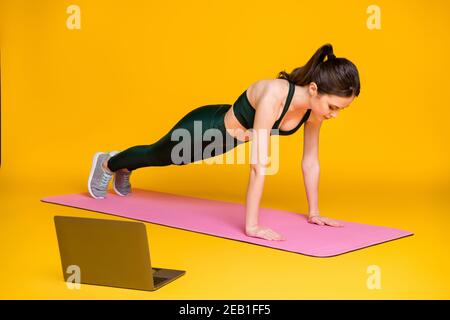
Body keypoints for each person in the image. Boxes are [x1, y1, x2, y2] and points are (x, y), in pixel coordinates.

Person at [87, 43, 361, 241]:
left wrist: (314, 212)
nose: (334, 114)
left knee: (157, 157)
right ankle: (109, 163)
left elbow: (310, 162)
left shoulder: (314, 112)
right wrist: (251, 226)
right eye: (333, 106)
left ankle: (124, 166)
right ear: (314, 89)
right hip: (204, 130)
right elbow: (258, 164)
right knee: (157, 155)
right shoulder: (274, 95)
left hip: (226, 141)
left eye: (340, 110)